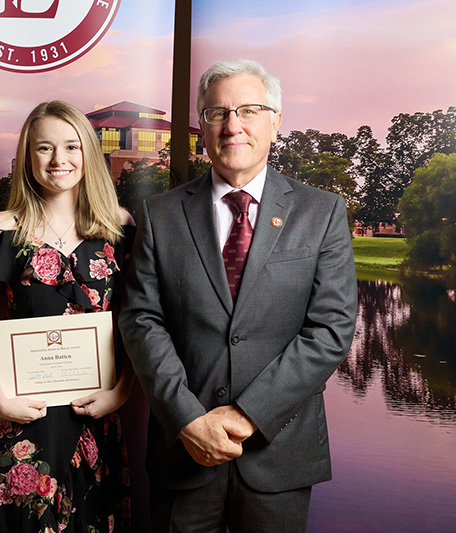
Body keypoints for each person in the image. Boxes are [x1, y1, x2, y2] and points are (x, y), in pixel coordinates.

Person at [118, 59, 357, 532]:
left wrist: (249, 415)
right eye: (216, 113)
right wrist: (187, 420)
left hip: (280, 452)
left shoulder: (322, 212)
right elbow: (141, 320)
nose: (233, 126)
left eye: (249, 110)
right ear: (201, 128)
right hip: (183, 451)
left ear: (275, 121)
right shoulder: (160, 214)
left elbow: (331, 330)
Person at [0, 100, 135, 533]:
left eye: (72, 146)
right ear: (27, 157)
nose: (59, 160)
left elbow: (137, 327)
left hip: (95, 416)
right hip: (23, 418)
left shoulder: (121, 228)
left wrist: (122, 393)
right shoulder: (4, 228)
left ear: (88, 154)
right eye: (44, 148)